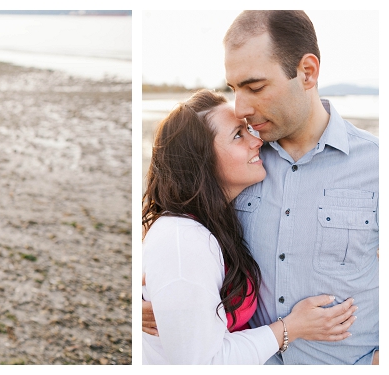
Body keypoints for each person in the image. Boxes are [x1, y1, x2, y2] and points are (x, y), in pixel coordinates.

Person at [143, 10, 379, 365]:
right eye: (233, 89)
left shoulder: (377, 164)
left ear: (307, 72)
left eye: (255, 87)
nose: (241, 107)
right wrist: (148, 297)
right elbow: (174, 220)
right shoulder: (236, 164)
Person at [141, 89, 356, 364]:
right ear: (200, 159)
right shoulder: (184, 240)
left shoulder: (218, 217)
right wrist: (291, 328)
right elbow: (203, 365)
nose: (257, 141)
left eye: (248, 130)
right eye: (238, 135)